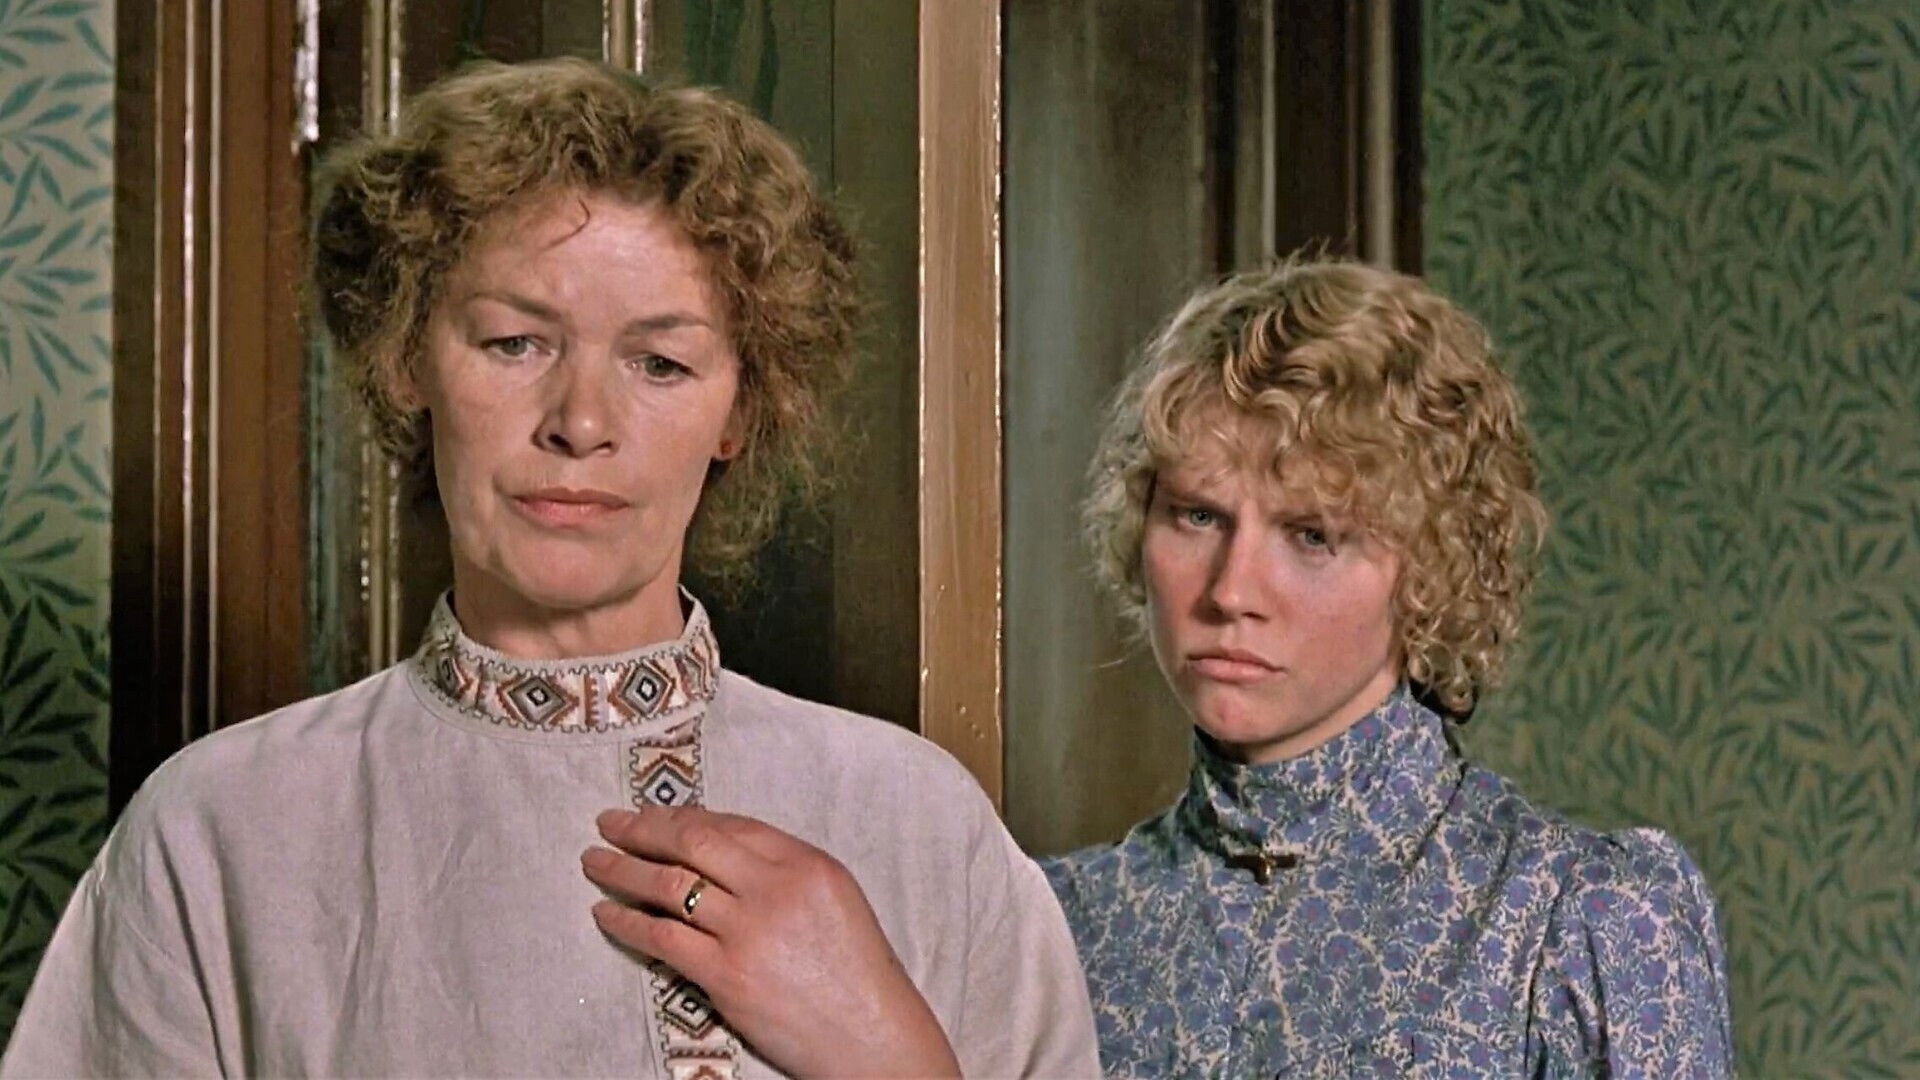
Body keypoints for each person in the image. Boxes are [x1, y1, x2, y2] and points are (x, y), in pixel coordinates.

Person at [3, 58, 1096, 1079]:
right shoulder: (218, 832)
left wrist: (889, 1054)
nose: (580, 422)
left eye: (660, 361)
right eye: (514, 343)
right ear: (407, 357)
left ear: (742, 409)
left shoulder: (917, 821)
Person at [1043, 259, 1733, 1077]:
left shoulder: (1578, 917)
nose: (1231, 592)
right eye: (1197, 516)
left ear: (1431, 566)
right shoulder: (1057, 926)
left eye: (1312, 535)